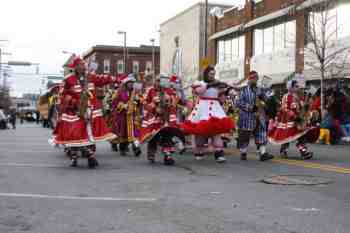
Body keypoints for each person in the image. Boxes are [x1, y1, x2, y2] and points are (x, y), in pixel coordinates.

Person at [50, 56, 116, 168]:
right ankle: (75, 157)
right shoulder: (68, 79)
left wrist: (116, 79)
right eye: (79, 65)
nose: (82, 67)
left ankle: (90, 156)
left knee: (89, 135)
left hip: (90, 111)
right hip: (75, 112)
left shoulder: (90, 76)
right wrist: (74, 102)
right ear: (75, 67)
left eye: (83, 64)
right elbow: (63, 95)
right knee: (75, 135)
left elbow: (102, 79)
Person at [181, 65, 235, 163]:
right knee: (200, 132)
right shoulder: (200, 83)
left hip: (215, 108)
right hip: (203, 109)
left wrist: (226, 91)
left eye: (214, 74)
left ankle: (219, 153)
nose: (212, 75)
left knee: (216, 132)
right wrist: (210, 84)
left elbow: (221, 97)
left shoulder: (218, 84)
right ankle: (199, 151)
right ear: (206, 73)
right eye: (210, 74)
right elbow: (198, 91)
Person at [140, 75, 186, 165]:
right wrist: (153, 107)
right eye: (158, 81)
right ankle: (151, 153)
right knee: (154, 136)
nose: (159, 83)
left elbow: (176, 101)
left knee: (167, 135)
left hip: (167, 117)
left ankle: (167, 156)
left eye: (161, 81)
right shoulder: (151, 90)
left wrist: (171, 100)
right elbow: (145, 102)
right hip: (155, 118)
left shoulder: (170, 91)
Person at [268, 80, 315, 159]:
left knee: (301, 136)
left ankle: (304, 152)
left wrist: (305, 107)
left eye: (297, 86)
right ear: (290, 87)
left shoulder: (297, 96)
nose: (297, 88)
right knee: (287, 137)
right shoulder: (286, 96)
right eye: (295, 86)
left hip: (298, 120)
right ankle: (283, 151)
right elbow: (284, 108)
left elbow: (300, 107)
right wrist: (294, 116)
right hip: (288, 120)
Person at [236, 71, 274, 161]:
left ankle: (263, 153)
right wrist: (250, 107)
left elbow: (265, 99)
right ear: (249, 79)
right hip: (247, 116)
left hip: (259, 116)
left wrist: (268, 95)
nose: (254, 80)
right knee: (245, 135)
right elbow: (238, 102)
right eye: (252, 78)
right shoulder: (243, 90)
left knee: (261, 133)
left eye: (255, 78)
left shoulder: (259, 89)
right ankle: (243, 152)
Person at [111, 74, 142, 157]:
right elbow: (114, 102)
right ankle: (122, 148)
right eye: (129, 82)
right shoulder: (120, 92)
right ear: (126, 83)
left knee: (134, 133)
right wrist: (123, 105)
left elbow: (141, 101)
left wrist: (138, 101)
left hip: (133, 115)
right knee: (124, 133)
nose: (131, 84)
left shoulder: (135, 92)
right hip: (123, 116)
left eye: (132, 82)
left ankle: (136, 148)